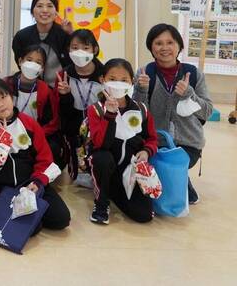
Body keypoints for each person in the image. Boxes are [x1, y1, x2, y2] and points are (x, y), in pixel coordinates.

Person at [0, 78, 69, 233]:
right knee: (33, 228)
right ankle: (19, 218)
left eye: (3, 97)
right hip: (1, 188)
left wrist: (38, 181)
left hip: (31, 184)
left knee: (61, 219)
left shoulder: (28, 123)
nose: (0, 104)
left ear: (11, 97)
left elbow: (45, 159)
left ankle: (16, 217)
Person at [134, 24, 214, 204]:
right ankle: (180, 183)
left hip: (188, 143)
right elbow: (139, 115)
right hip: (155, 142)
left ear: (179, 46)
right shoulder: (145, 73)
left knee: (173, 165)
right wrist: (141, 90)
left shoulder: (193, 74)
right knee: (154, 170)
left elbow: (208, 111)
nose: (164, 48)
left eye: (170, 42)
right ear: (151, 48)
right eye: (158, 43)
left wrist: (189, 94)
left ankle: (181, 180)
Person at [88, 59, 158, 224]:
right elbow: (100, 144)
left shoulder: (141, 109)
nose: (118, 84)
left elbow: (153, 138)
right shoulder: (96, 109)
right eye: (112, 79)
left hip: (130, 172)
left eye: (124, 80)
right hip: (105, 166)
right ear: (102, 80)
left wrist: (146, 151)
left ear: (131, 82)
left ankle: (113, 189)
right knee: (103, 158)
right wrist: (110, 115)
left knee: (144, 215)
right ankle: (101, 203)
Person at [56, 28, 105, 183]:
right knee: (76, 178)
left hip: (97, 125)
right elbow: (63, 112)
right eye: (75, 48)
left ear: (94, 49)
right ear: (69, 50)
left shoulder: (104, 74)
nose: (80, 52)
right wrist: (65, 96)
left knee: (98, 170)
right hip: (72, 126)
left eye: (85, 48)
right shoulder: (63, 75)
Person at [5, 45, 65, 169]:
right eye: (29, 60)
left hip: (35, 134)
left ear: (42, 68)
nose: (33, 64)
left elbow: (52, 122)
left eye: (38, 62)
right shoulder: (6, 84)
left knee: (53, 147)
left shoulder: (46, 91)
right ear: (20, 61)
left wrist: (36, 135)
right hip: (8, 131)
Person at [12, 0, 73, 85]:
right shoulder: (22, 37)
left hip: (61, 90)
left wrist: (71, 34)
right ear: (32, 11)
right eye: (39, 6)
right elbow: (21, 65)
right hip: (32, 88)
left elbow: (76, 64)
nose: (45, 10)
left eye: (49, 6)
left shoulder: (64, 35)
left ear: (56, 11)